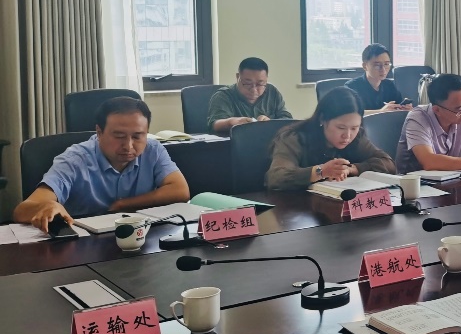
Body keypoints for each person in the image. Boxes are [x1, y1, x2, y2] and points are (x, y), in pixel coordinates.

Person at [15, 97, 190, 231]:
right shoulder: (74, 160)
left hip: (138, 238)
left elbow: (180, 190)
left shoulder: (153, 150)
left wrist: (123, 205)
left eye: (137, 136)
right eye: (119, 136)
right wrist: (47, 206)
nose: (129, 146)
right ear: (99, 132)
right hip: (83, 245)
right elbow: (22, 210)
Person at [265, 87, 395, 190]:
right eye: (341, 127)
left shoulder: (357, 138)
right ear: (322, 119)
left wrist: (352, 169)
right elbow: (276, 177)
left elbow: (388, 163)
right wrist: (321, 171)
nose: (347, 135)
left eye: (354, 128)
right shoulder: (293, 138)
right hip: (295, 208)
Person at [205, 57, 294, 133]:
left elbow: (287, 119)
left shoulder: (272, 92)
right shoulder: (223, 95)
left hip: (268, 143)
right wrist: (232, 122)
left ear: (266, 79)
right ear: (238, 77)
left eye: (260, 84)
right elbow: (214, 125)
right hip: (235, 144)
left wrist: (270, 123)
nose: (254, 90)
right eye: (247, 84)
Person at [345, 44, 412, 115]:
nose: (383, 70)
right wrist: (380, 111)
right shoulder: (352, 87)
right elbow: (349, 114)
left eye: (386, 64)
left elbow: (398, 106)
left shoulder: (389, 85)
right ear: (365, 66)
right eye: (377, 65)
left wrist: (404, 109)